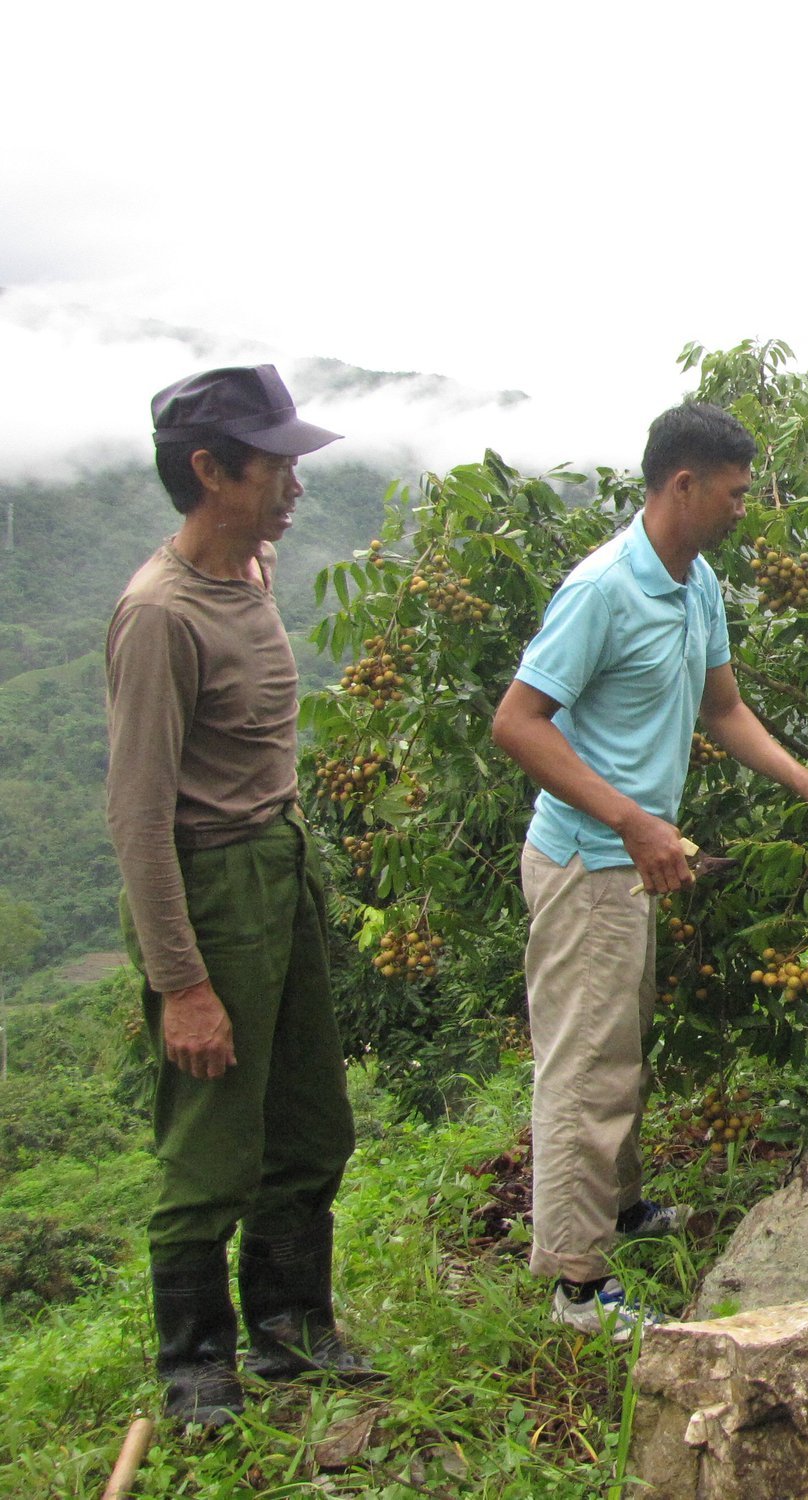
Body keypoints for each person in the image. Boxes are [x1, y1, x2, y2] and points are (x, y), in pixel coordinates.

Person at [492, 402, 808, 1338]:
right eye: (736, 493)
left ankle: (614, 1212)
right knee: (587, 1067)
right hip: (589, 862)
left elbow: (724, 709)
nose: (747, 509)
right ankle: (578, 1289)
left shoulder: (695, 584)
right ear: (683, 485)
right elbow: (517, 723)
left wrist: (804, 780)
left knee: (621, 1044)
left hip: (635, 863)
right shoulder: (603, 589)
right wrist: (633, 822)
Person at [107, 365, 373, 1427]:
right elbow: (137, 819)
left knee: (309, 1119)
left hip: (279, 863)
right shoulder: (158, 618)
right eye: (275, 465)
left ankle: (289, 1326)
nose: (295, 484)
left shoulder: (251, 567)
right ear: (210, 471)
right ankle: (193, 1363)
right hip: (208, 887)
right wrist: (183, 983)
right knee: (210, 1135)